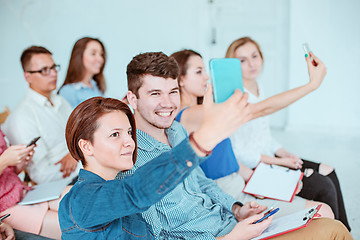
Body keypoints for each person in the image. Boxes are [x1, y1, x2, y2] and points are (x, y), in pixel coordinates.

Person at [120, 52, 351, 239]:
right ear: (132, 99)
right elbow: (157, 234)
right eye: (155, 93)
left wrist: (237, 209)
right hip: (226, 234)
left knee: (328, 220)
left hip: (231, 220)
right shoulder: (131, 158)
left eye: (172, 93)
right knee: (331, 227)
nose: (167, 102)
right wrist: (312, 85)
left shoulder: (176, 131)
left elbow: (202, 183)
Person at [58, 94, 264, 239]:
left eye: (129, 132)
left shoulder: (121, 183)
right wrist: (202, 140)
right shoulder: (80, 199)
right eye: (115, 135)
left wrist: (235, 219)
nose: (129, 141)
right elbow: (135, 192)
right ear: (86, 147)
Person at [171, 49, 334, 219]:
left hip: (240, 182)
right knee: (323, 210)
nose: (206, 77)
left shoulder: (204, 113)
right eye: (199, 72)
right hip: (230, 196)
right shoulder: (189, 115)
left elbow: (226, 161)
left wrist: (265, 181)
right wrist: (311, 85)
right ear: (180, 79)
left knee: (320, 187)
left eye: (205, 70)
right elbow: (262, 109)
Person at [225, 37, 350, 230]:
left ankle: (343, 232)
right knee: (323, 185)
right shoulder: (233, 97)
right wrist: (280, 162)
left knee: (328, 170)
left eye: (254, 56)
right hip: (255, 166)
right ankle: (333, 232)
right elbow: (239, 153)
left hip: (270, 158)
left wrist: (283, 152)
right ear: (231, 66)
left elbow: (265, 137)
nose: (251, 64)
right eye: (242, 60)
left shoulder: (259, 89)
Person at [2, 46, 80, 184]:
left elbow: (82, 132)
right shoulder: (22, 116)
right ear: (28, 76)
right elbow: (41, 174)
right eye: (44, 70)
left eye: (54, 67)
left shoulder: (59, 100)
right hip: (65, 179)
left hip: (82, 160)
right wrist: (83, 159)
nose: (53, 74)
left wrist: (75, 154)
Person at [0, 127, 70, 239]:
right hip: (5, 207)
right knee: (76, 225)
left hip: (22, 192)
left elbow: (8, 174)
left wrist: (20, 162)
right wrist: (4, 161)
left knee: (83, 197)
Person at [58, 37, 106, 108]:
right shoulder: (67, 91)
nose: (100, 59)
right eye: (93, 54)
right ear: (79, 56)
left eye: (101, 54)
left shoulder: (96, 86)